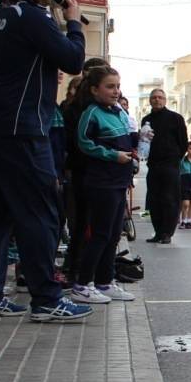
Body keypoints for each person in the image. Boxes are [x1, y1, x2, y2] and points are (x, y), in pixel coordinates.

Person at [0, 0, 91, 322]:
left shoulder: (1, 17)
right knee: (41, 212)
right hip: (22, 128)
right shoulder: (34, 18)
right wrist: (73, 23)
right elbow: (73, 61)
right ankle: (47, 299)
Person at [71, 66, 137, 303]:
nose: (116, 91)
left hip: (119, 181)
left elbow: (127, 140)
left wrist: (133, 153)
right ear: (94, 89)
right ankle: (82, 284)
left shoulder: (118, 113)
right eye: (110, 86)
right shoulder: (91, 113)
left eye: (118, 86)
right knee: (99, 234)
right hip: (101, 183)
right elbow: (84, 143)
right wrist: (113, 155)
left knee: (113, 235)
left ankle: (104, 281)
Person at [140, 87, 187, 243]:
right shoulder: (146, 120)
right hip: (153, 166)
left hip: (170, 166)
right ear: (150, 101)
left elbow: (183, 143)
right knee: (154, 200)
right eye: (154, 97)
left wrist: (174, 158)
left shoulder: (176, 118)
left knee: (170, 199)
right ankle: (158, 232)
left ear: (165, 100)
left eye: (160, 97)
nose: (157, 100)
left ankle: (167, 233)